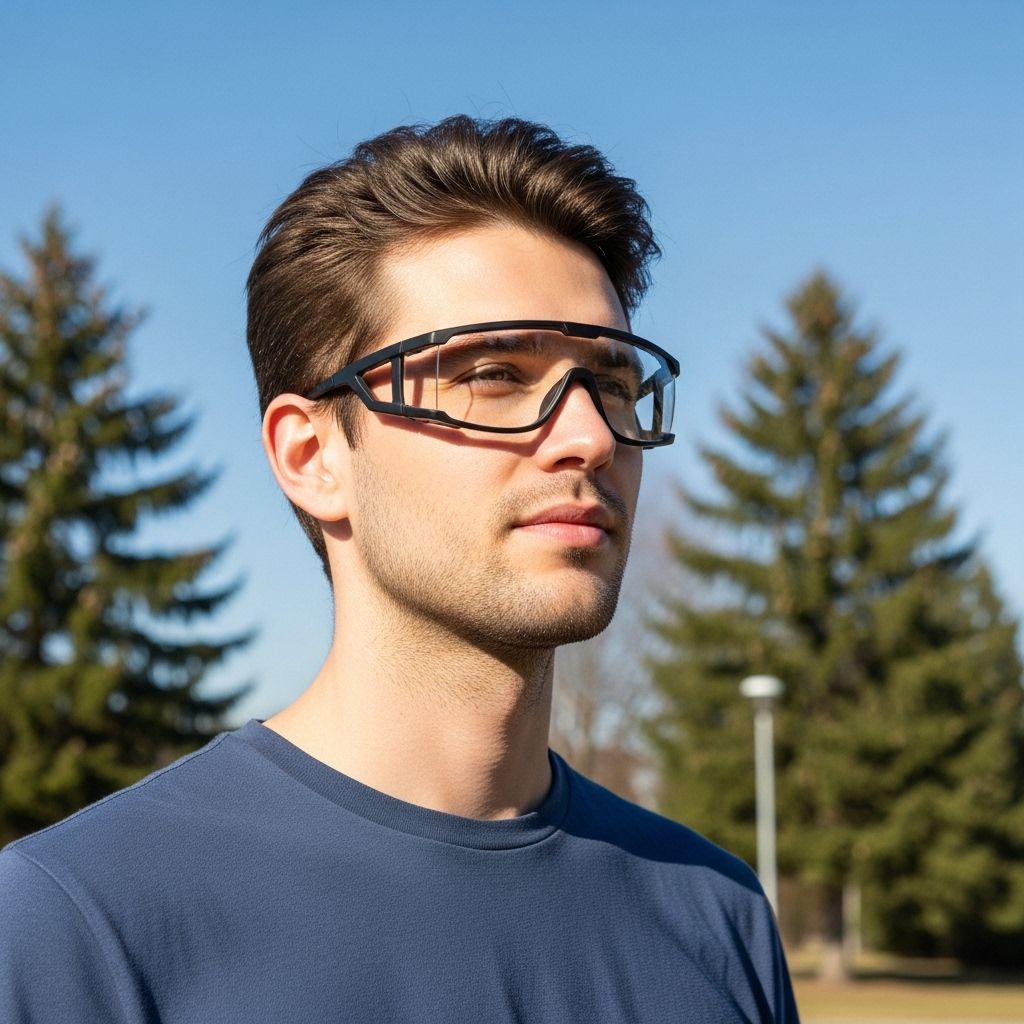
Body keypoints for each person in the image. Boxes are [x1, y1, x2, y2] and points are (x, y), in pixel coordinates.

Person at [0, 116, 799, 1023]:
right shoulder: (78, 928)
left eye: (611, 386)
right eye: (495, 373)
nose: (589, 437)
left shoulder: (717, 914)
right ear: (312, 457)